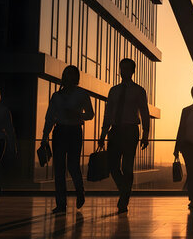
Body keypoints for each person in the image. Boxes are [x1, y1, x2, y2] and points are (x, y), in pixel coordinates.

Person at [98, 58, 150, 214]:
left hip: (130, 130)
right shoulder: (113, 91)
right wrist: (103, 133)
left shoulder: (139, 91)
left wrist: (145, 134)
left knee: (127, 166)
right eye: (122, 68)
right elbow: (108, 113)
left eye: (127, 69)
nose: (124, 71)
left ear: (133, 71)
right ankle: (125, 191)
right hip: (115, 130)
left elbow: (145, 113)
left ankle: (124, 199)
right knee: (113, 166)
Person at [41, 66, 94, 213]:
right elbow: (49, 118)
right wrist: (44, 137)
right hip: (59, 131)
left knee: (72, 165)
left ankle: (79, 191)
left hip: (74, 131)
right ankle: (61, 204)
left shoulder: (82, 94)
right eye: (67, 75)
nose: (70, 78)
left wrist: (77, 116)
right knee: (59, 168)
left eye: (72, 75)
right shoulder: (56, 96)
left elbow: (90, 114)